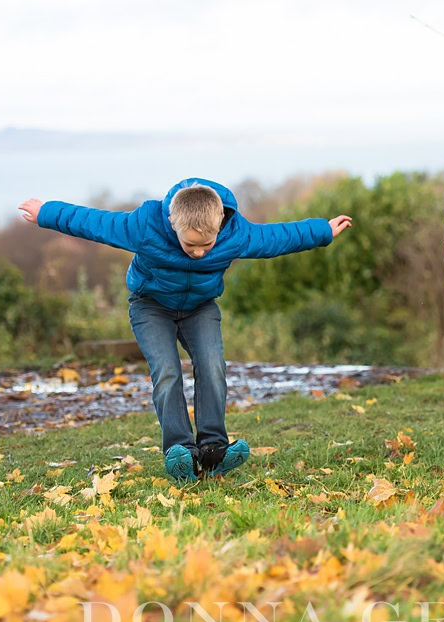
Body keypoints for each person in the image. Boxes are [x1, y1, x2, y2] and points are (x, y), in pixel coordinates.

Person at [19, 178, 352, 481]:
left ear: (219, 224)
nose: (198, 252)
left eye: (206, 245)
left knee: (211, 366)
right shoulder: (144, 225)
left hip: (200, 308)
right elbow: (93, 222)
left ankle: (214, 449)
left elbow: (278, 237)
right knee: (167, 371)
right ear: (172, 224)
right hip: (151, 306)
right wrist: (45, 212)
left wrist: (323, 230)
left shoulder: (234, 233)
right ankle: (179, 451)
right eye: (190, 245)